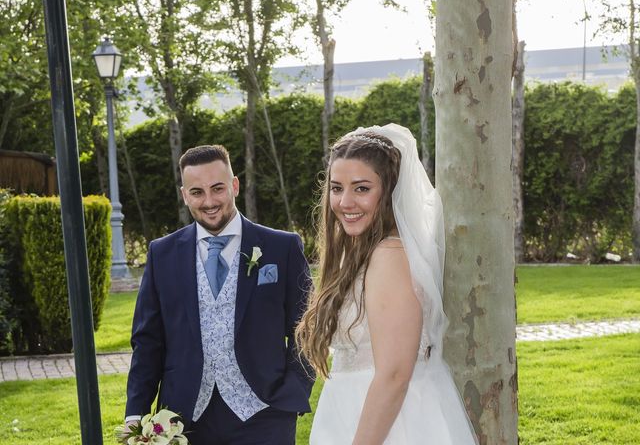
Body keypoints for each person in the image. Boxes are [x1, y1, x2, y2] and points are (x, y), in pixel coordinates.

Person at [296, 123, 478, 444]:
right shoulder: (362, 252)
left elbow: (394, 376)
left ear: (389, 191)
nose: (345, 202)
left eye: (362, 188)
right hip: (355, 412)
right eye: (337, 188)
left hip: (391, 426)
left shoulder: (390, 256)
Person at [125, 144, 314, 445]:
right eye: (197, 192)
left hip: (265, 415)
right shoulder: (162, 254)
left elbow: (307, 328)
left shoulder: (283, 248)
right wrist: (135, 413)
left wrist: (293, 391)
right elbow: (148, 341)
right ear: (185, 194)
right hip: (184, 419)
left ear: (234, 186)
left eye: (217, 188)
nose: (209, 201)